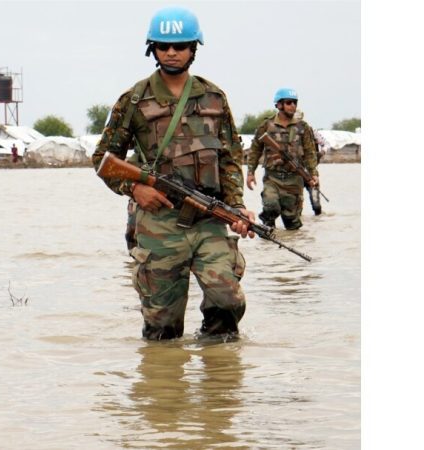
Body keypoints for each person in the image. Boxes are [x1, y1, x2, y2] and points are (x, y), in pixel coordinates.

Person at [92, 6, 254, 341]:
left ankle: (218, 379)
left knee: (227, 301)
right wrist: (135, 190)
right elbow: (103, 159)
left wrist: (236, 206)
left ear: (194, 48)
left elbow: (229, 158)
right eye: (163, 46)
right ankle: (166, 388)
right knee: (162, 327)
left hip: (208, 218)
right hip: (160, 222)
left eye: (180, 46)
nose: (171, 52)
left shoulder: (214, 97)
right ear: (152, 49)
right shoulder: (134, 99)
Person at [246, 88, 320, 229]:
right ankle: (267, 238)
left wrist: (314, 174)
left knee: (292, 222)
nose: (293, 106)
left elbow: (310, 152)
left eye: (295, 103)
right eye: (288, 102)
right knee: (271, 206)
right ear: (279, 105)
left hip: (294, 178)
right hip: (272, 178)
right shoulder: (266, 126)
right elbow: (255, 150)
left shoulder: (302, 127)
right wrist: (250, 172)